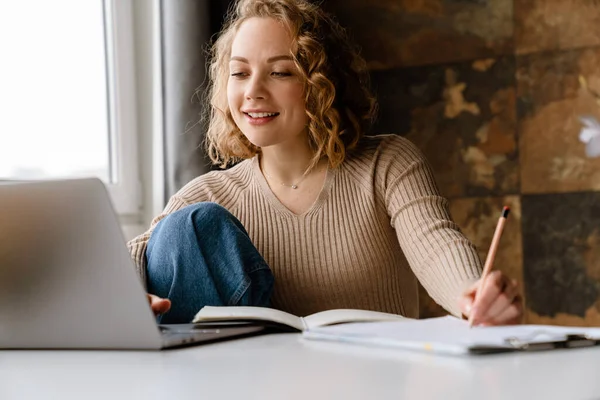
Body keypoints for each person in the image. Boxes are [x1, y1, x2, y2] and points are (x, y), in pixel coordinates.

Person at [127, 0, 522, 326]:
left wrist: (473, 296)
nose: (253, 91)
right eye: (239, 73)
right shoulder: (207, 197)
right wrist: (125, 297)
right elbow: (132, 259)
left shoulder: (387, 164)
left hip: (377, 384)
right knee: (185, 228)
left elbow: (436, 244)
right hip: (262, 384)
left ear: (321, 84)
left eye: (280, 72)